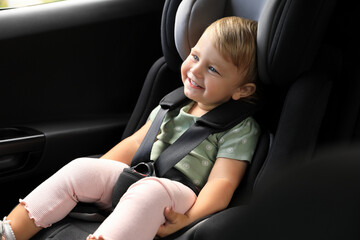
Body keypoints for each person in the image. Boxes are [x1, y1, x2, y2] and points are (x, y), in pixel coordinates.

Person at [0, 16, 260, 240]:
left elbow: (222, 183)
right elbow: (136, 144)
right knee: (81, 167)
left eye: (212, 69)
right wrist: (96, 177)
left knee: (148, 191)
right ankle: (9, 232)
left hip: (181, 194)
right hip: (140, 177)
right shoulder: (172, 104)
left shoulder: (239, 128)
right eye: (195, 56)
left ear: (242, 90)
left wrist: (189, 218)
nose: (195, 70)